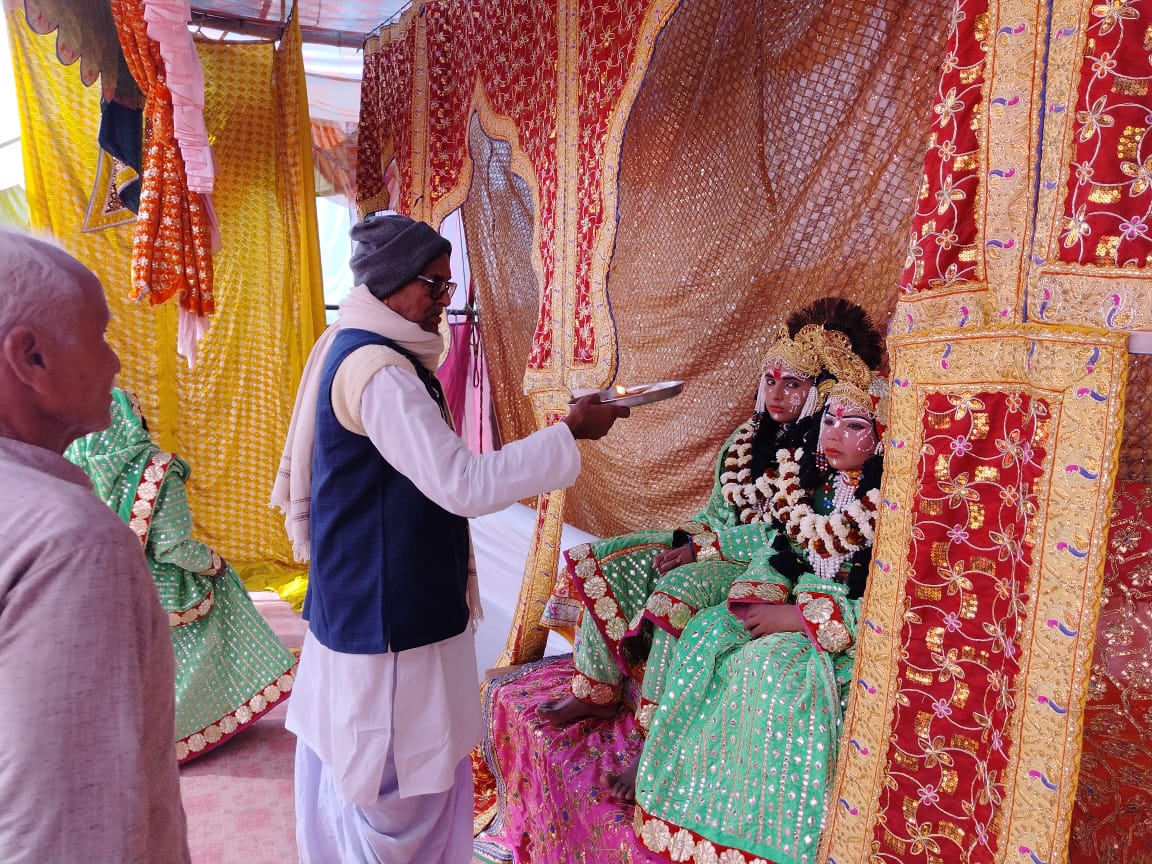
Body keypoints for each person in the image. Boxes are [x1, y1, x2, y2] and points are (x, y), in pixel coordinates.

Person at [272, 212, 628, 863]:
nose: (444, 303)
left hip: (369, 604)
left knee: (380, 772)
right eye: (435, 288)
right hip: (388, 625)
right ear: (390, 285)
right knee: (397, 784)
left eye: (448, 287)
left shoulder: (359, 347)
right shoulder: (380, 373)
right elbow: (460, 483)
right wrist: (569, 431)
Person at [537, 298, 881, 798]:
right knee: (609, 557)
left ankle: (651, 742)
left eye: (794, 384)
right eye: (770, 380)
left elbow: (780, 535)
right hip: (731, 549)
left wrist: (709, 550)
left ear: (820, 392)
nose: (777, 394)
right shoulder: (745, 438)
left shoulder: (818, 458)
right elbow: (716, 510)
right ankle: (595, 690)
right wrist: (691, 540)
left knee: (676, 592)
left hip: (751, 560)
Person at [632, 342, 886, 864]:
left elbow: (889, 605)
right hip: (788, 601)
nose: (836, 434)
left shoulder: (892, 507)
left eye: (855, 425)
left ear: (883, 439)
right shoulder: (813, 491)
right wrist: (760, 600)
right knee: (705, 633)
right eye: (832, 421)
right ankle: (668, 777)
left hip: (841, 632)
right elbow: (778, 550)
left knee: (770, 673)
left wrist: (796, 618)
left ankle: (760, 830)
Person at [0, 228, 190, 863]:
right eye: (100, 334)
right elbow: (70, 837)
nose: (113, 363)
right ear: (30, 359)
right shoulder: (69, 544)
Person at [66, 388, 299, 762]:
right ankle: (197, 721)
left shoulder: (73, 462)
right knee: (223, 588)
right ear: (132, 421)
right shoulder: (155, 468)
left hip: (100, 589)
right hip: (164, 592)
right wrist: (214, 563)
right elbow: (173, 547)